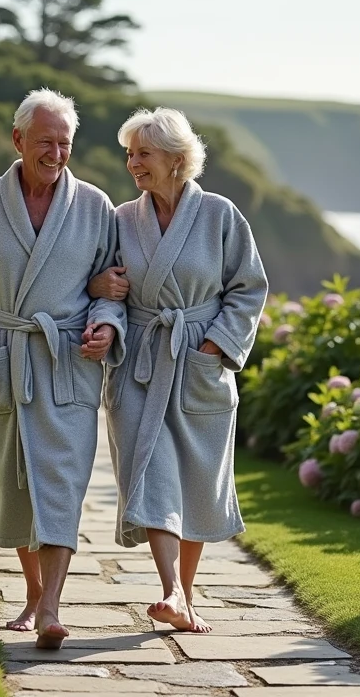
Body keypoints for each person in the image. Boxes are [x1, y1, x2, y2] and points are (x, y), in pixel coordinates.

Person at [0, 88, 126, 649]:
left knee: (62, 483)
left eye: (64, 143)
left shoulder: (94, 206)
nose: (56, 153)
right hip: (9, 358)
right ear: (18, 139)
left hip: (67, 360)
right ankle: (29, 592)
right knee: (18, 484)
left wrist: (105, 324)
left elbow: (113, 285)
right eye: (45, 141)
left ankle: (51, 607)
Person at [87, 107, 268, 633]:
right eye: (129, 153)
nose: (132, 163)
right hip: (140, 363)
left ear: (176, 158)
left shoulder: (220, 216)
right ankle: (170, 591)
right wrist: (105, 317)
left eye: (143, 153)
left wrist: (216, 344)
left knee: (192, 484)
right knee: (154, 475)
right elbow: (108, 288)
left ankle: (184, 597)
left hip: (199, 362)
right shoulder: (121, 220)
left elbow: (249, 287)